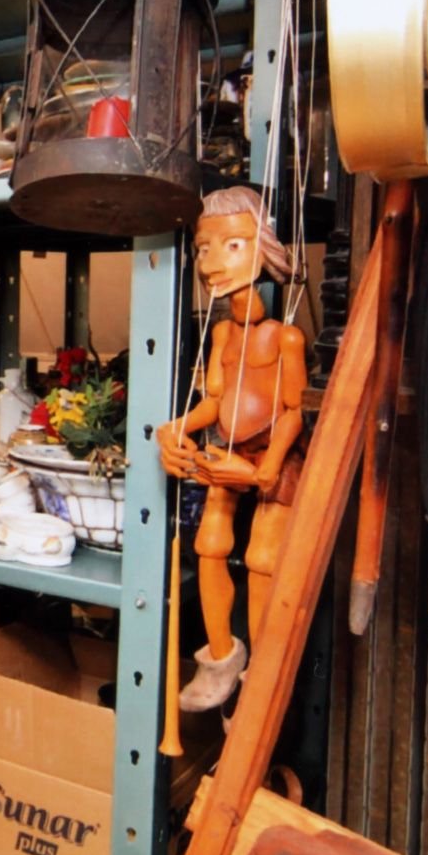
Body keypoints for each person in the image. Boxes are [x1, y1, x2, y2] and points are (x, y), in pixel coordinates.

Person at [156, 186, 306, 711]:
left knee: (263, 557)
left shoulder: (285, 338)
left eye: (232, 246)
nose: (211, 262)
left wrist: (266, 471)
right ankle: (221, 657)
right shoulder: (221, 334)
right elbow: (215, 403)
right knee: (210, 544)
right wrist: (174, 428)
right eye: (203, 248)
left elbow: (294, 411)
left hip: (271, 456)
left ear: (264, 248)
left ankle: (260, 671)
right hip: (228, 452)